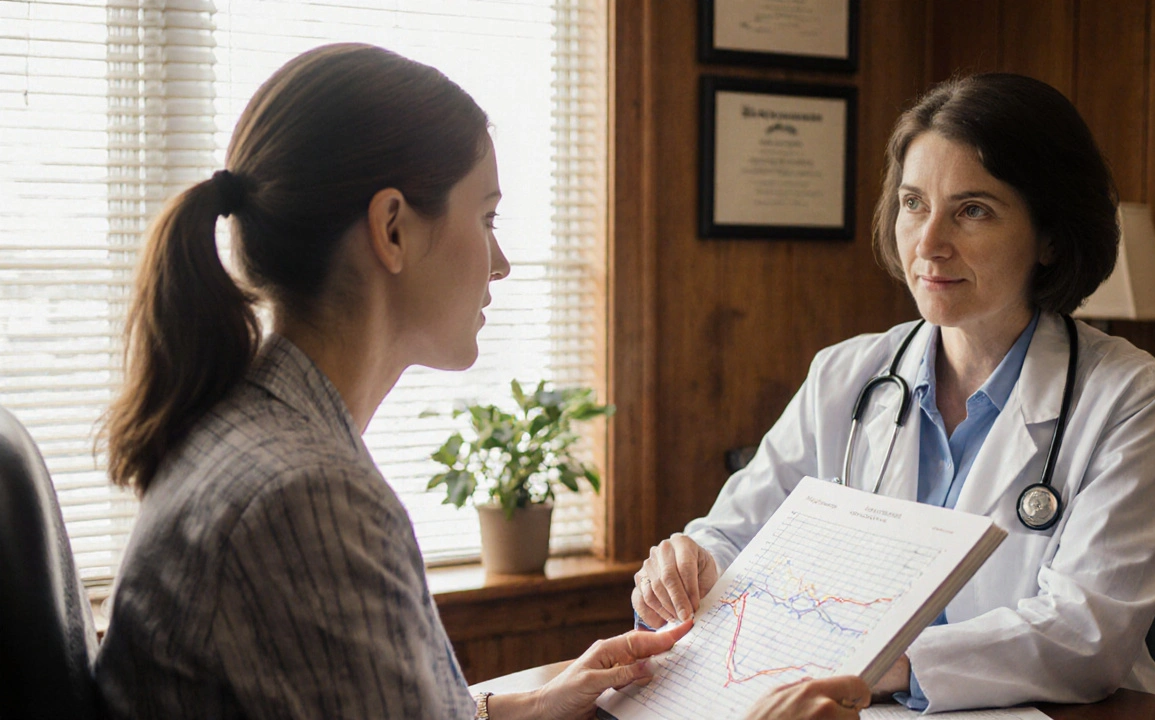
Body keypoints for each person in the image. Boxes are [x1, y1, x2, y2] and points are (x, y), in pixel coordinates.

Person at [92, 43, 871, 720]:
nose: (498, 263)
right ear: (392, 229)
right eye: (488, 216)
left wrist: (525, 705)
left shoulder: (257, 430)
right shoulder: (304, 494)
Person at [631, 73, 1155, 714]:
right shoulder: (845, 377)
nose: (928, 243)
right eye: (914, 203)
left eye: (973, 210)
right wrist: (691, 561)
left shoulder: (1131, 399)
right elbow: (736, 534)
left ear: (1052, 236)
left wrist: (885, 666)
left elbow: (1088, 634)